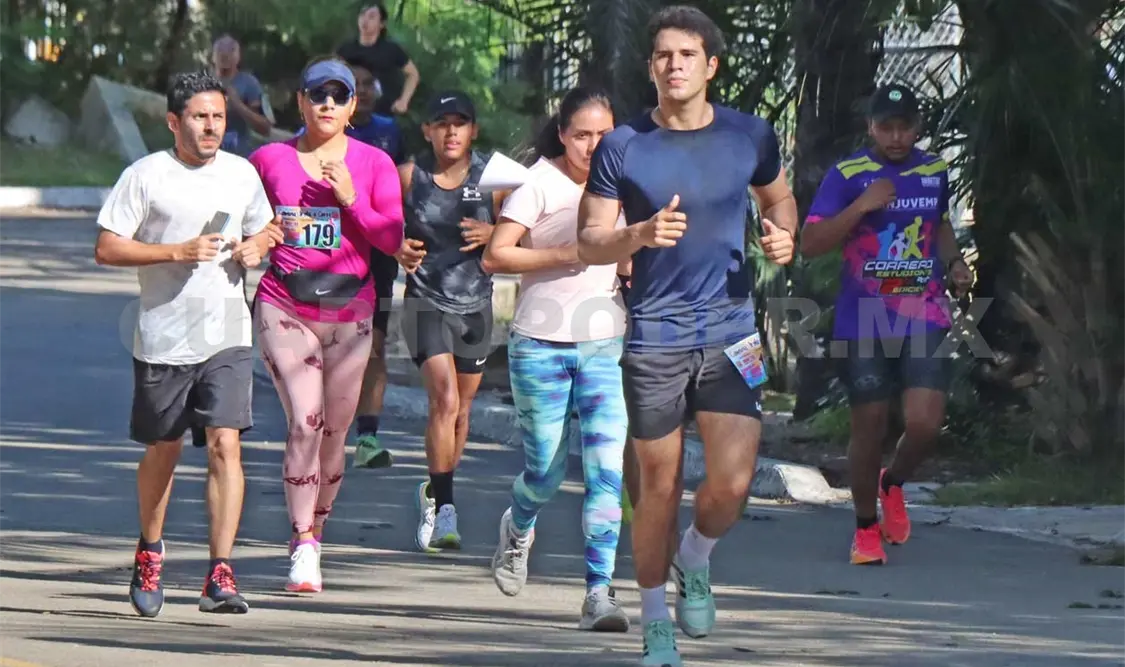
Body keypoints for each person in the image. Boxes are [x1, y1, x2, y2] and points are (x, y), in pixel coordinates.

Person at [576, 6, 797, 665]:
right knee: (657, 484)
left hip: (733, 332)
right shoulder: (623, 145)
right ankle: (654, 623)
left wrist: (781, 233)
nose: (674, 65)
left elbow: (777, 199)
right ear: (651, 67)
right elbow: (589, 242)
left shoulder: (749, 136)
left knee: (732, 482)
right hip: (654, 335)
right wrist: (637, 236)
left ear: (710, 66)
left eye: (686, 54)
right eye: (663, 55)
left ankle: (694, 557)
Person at [93, 71, 280, 618]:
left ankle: (220, 573)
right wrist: (175, 252)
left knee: (227, 443)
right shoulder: (146, 176)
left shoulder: (242, 174)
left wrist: (256, 247)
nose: (211, 126)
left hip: (226, 333)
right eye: (200, 116)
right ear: (175, 121)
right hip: (164, 339)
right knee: (165, 450)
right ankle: (150, 550)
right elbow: (106, 247)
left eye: (219, 116)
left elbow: (267, 230)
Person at [799, 83, 973, 566]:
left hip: (925, 312)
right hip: (866, 319)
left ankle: (891, 482)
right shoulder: (848, 174)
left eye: (906, 127)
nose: (896, 137)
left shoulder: (933, 170)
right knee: (870, 425)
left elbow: (938, 225)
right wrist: (860, 206)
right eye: (886, 127)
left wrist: (954, 262)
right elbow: (810, 242)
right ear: (870, 127)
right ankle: (864, 529)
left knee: (925, 423)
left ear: (918, 127)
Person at [248, 57, 405, 593]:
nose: (328, 105)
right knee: (305, 421)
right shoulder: (269, 159)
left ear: (353, 106)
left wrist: (350, 201)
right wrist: (255, 236)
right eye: (318, 96)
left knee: (336, 432)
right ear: (300, 101)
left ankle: (318, 528)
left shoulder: (374, 163)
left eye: (339, 96)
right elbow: (237, 217)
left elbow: (390, 238)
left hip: (350, 312)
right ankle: (302, 543)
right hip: (284, 305)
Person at [483, 87, 631, 632]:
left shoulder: (623, 183)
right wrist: (570, 252)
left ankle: (599, 593)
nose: (593, 146)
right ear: (563, 134)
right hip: (540, 345)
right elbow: (495, 254)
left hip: (604, 345)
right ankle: (518, 528)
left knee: (606, 473)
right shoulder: (538, 182)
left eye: (603, 135)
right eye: (582, 135)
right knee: (544, 473)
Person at [394, 90, 502, 553]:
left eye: (460, 123)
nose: (451, 131)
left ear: (473, 131)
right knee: (444, 398)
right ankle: (446, 508)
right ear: (428, 130)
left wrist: (496, 232)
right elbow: (377, 221)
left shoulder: (494, 178)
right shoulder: (408, 176)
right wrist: (397, 243)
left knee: (461, 411)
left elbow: (530, 231)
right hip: (424, 303)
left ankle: (434, 489)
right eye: (442, 123)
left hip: (475, 304)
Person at [347, 62, 409, 469]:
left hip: (380, 256)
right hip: (332, 257)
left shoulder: (391, 131)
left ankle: (367, 437)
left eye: (370, 82)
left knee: (374, 346)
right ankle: (317, 425)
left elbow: (405, 187)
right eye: (357, 85)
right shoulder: (327, 132)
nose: (365, 90)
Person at [337, 4, 420, 117]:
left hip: (382, 114)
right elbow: (333, 76)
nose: (365, 20)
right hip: (350, 115)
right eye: (362, 15)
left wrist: (403, 101)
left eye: (371, 17)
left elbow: (413, 74)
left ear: (381, 24)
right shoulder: (345, 49)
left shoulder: (391, 49)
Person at [211, 35, 273, 157]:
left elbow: (266, 128)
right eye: (220, 50)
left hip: (238, 160)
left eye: (231, 50)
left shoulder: (251, 84)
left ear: (238, 56)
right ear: (213, 55)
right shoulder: (200, 83)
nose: (225, 54)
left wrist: (238, 105)